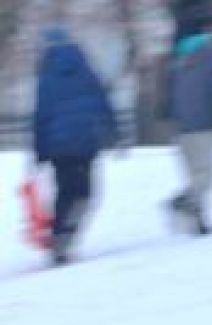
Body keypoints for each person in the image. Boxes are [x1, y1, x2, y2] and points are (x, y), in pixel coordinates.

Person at [32, 26, 120, 266]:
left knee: (65, 192)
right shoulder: (85, 68)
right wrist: (114, 131)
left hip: (59, 146)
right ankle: (66, 235)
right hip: (85, 140)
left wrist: (39, 151)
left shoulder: (46, 75)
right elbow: (102, 100)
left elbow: (41, 115)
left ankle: (60, 236)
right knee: (85, 192)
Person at [161, 17, 212, 236]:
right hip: (207, 123)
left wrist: (170, 117)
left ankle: (199, 222)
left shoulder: (177, 57)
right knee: (210, 176)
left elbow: (167, 91)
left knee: (195, 174)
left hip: (183, 126)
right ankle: (183, 201)